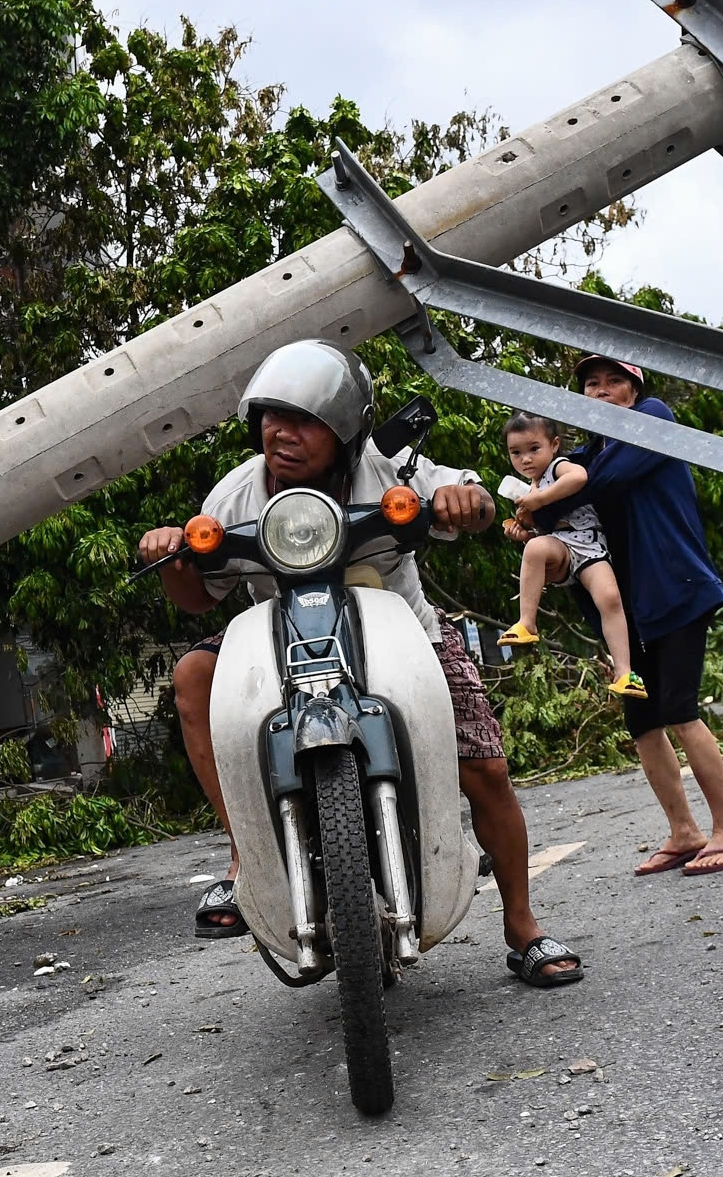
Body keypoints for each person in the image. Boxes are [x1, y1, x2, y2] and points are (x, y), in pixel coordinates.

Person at [137, 340, 583, 987]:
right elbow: (197, 597)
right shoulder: (236, 493)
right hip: (280, 640)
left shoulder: (387, 467)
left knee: (484, 767)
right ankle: (245, 862)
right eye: (271, 417)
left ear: (345, 431)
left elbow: (474, 500)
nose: (281, 434)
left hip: (404, 634)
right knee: (193, 678)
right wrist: (176, 554)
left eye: (304, 421)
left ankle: (523, 925)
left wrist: (467, 501)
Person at [567, 354, 723, 877]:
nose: (601, 392)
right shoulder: (586, 454)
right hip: (628, 611)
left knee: (679, 708)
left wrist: (555, 490)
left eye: (613, 382)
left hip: (676, 591)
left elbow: (593, 486)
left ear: (633, 390)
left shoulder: (654, 419)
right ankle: (684, 831)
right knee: (642, 721)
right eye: (591, 384)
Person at [495, 411, 645, 700]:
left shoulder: (557, 468)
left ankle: (624, 672)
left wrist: (539, 500)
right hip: (561, 546)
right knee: (535, 548)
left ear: (553, 445)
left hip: (589, 545)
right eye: (516, 453)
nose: (525, 459)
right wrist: (523, 532)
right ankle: (527, 622)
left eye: (534, 449)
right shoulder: (530, 489)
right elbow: (540, 535)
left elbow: (580, 477)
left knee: (610, 599)